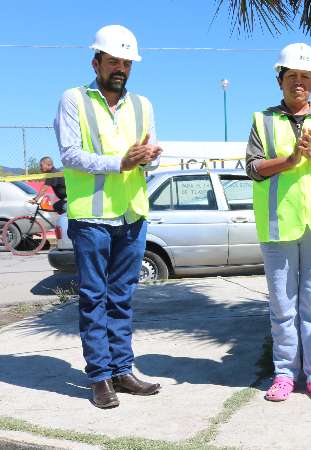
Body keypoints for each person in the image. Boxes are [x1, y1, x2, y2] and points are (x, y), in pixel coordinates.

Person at [55, 25, 163, 408]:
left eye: (126, 62)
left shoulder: (142, 105)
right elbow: (70, 154)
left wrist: (150, 158)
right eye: (113, 61)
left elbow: (148, 156)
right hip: (92, 217)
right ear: (96, 61)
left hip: (132, 213)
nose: (120, 68)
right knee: (93, 297)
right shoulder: (74, 100)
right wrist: (120, 162)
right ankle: (99, 376)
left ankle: (122, 369)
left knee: (122, 297)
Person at [245, 43, 311, 402]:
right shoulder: (263, 120)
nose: (299, 83)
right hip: (278, 226)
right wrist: (288, 161)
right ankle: (284, 374)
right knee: (282, 306)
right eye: (292, 76)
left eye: (305, 77)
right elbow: (253, 168)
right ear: (280, 80)